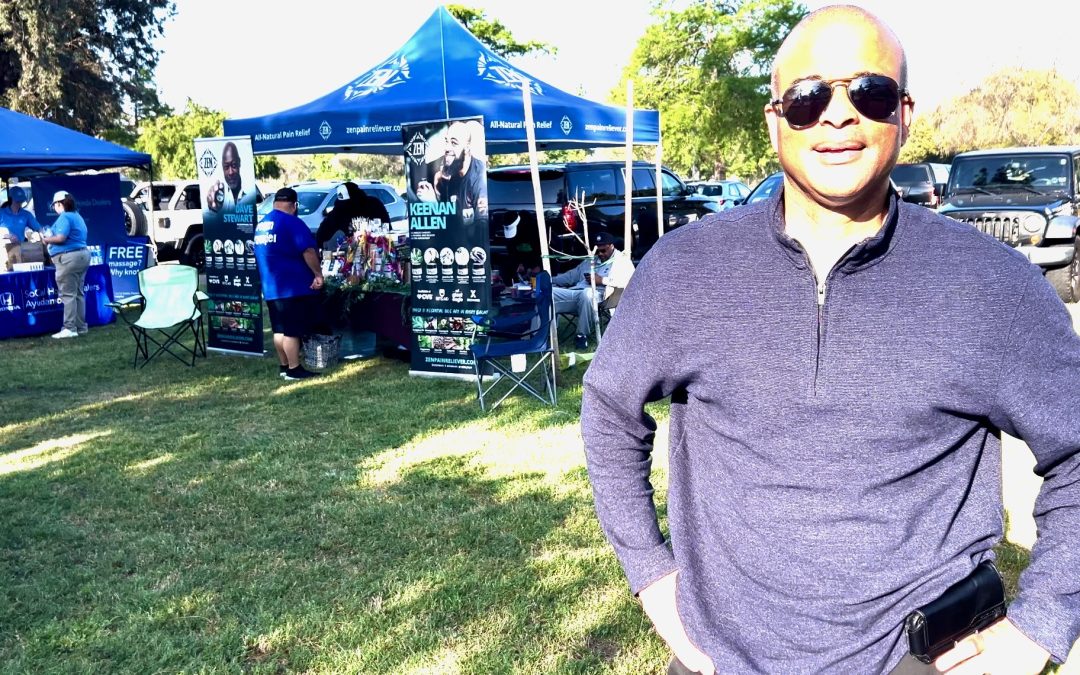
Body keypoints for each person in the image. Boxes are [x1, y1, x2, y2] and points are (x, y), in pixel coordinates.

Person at [581, 6, 1078, 675]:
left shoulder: (995, 285)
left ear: (903, 113)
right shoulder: (684, 269)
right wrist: (649, 572)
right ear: (774, 120)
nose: (838, 116)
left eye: (868, 92)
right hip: (719, 660)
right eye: (808, 97)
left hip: (917, 661)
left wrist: (1039, 629)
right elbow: (609, 408)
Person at [253, 187, 324, 380]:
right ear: (294, 205)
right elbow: (308, 250)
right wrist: (317, 274)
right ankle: (294, 368)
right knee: (292, 331)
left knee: (279, 329)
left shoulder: (263, 224)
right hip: (291, 287)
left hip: (271, 286)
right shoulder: (292, 222)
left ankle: (284, 365)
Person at [552, 231, 634, 351]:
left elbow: (629, 282)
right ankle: (542, 336)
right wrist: (548, 279)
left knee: (588, 294)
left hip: (602, 297)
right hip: (578, 292)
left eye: (603, 250)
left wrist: (602, 280)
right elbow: (570, 277)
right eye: (597, 251)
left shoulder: (622, 261)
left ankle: (581, 335)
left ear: (612, 246)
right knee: (548, 291)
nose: (600, 254)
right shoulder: (591, 260)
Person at [416, 121, 488, 227]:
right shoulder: (452, 172)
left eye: (454, 143)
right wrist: (435, 198)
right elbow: (453, 220)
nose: (447, 148)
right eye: (446, 141)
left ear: (467, 147)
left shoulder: (479, 179)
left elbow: (478, 231)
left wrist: (433, 204)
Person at [41, 191, 90, 338]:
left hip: (68, 258)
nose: (54, 208)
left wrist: (46, 240)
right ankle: (81, 327)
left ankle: (69, 328)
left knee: (68, 295)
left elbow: (61, 238)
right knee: (78, 294)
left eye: (54, 205)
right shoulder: (77, 216)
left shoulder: (65, 217)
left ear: (58, 204)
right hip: (82, 255)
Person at [315, 182, 391, 249]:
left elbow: (386, 227)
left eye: (348, 203)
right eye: (344, 203)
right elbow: (321, 234)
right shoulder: (338, 211)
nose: (347, 207)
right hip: (349, 252)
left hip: (376, 249)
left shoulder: (373, 205)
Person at [0, 186, 42, 271]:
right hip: (3, 251)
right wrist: (6, 235)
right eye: (17, 201)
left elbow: (38, 228)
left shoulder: (26, 214)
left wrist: (42, 235)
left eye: (21, 201)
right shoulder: (1, 213)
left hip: (20, 249)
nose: (19, 203)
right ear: (11, 199)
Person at [207, 141, 251, 212]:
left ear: (239, 162)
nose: (230, 172)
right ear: (222, 167)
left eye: (234, 165)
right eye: (226, 167)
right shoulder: (218, 194)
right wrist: (212, 208)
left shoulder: (250, 191)